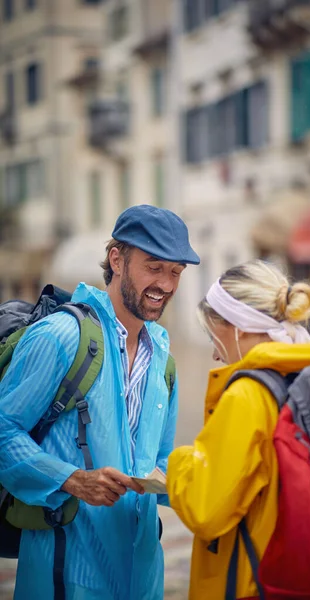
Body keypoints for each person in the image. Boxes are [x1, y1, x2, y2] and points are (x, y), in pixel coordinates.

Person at [0, 204, 200, 600]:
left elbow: (158, 466)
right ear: (117, 259)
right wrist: (73, 480)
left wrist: (202, 487)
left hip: (144, 575)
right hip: (65, 570)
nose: (166, 283)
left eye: (175, 272)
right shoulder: (60, 336)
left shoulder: (164, 361)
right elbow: (4, 431)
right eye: (154, 266)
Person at [166, 259, 310, 600]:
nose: (214, 352)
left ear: (237, 326)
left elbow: (205, 510)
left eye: (214, 334)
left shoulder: (248, 394)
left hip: (259, 583)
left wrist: (180, 463)